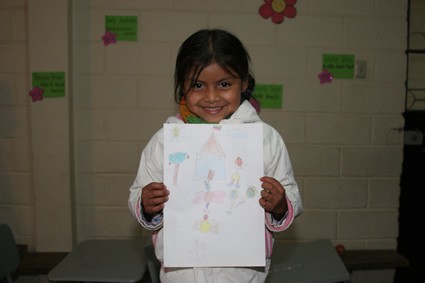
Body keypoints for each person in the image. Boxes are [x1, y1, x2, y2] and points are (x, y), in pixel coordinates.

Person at [128, 28, 302, 283]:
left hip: (243, 274)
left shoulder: (265, 139)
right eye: (198, 85)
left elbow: (292, 196)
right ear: (182, 86)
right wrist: (146, 204)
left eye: (224, 84)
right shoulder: (166, 141)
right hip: (181, 274)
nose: (211, 97)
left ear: (243, 82)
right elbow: (138, 192)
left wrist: (280, 205)